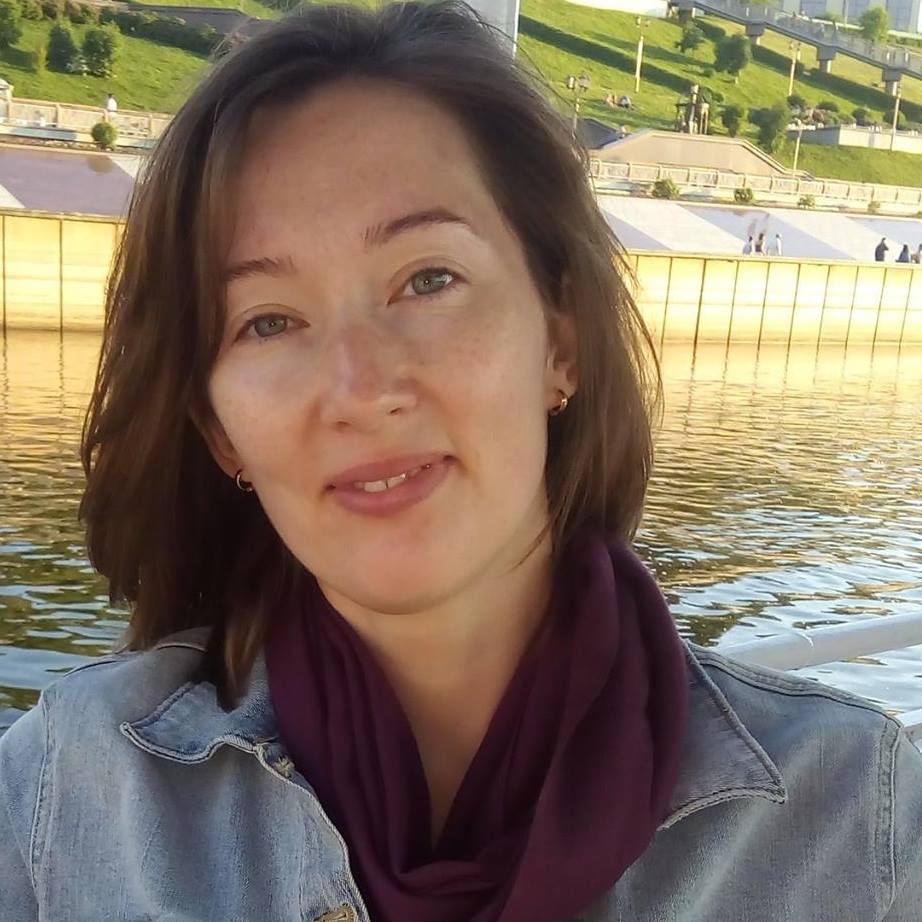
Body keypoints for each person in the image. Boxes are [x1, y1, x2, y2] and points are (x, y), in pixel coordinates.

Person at [3, 4, 922, 920]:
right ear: (219, 432)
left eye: (428, 279)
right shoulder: (64, 798)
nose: (361, 388)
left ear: (561, 339)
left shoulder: (858, 823)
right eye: (268, 321)